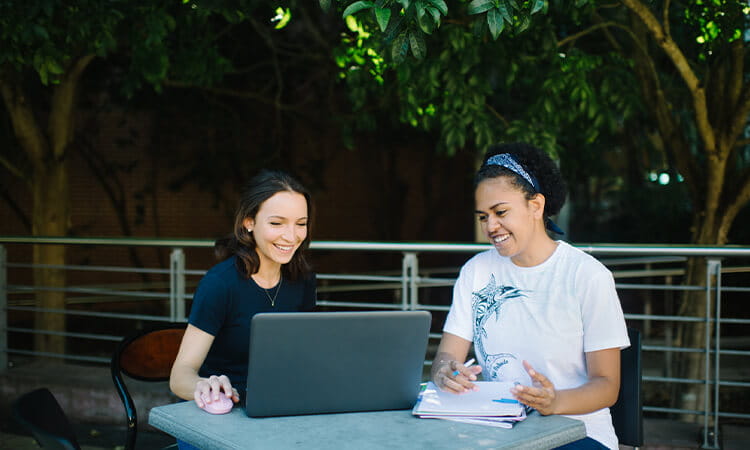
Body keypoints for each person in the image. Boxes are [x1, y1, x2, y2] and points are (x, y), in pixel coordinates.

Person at [431, 142, 629, 449]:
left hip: (578, 432)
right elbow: (447, 356)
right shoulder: (475, 271)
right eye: (483, 217)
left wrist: (554, 401)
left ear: (536, 206)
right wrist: (445, 371)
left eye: (500, 212)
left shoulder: (588, 276)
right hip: (498, 431)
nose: (490, 226)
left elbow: (607, 386)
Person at [170, 170, 316, 410]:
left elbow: (304, 354)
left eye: (301, 224)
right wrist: (204, 385)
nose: (291, 236)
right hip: (223, 412)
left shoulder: (303, 279)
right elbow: (180, 377)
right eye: (277, 223)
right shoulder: (219, 284)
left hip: (281, 406)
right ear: (249, 222)